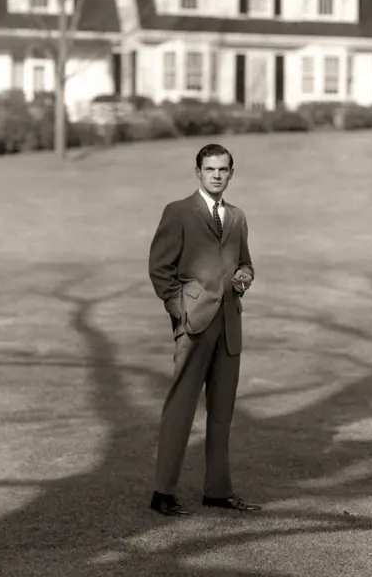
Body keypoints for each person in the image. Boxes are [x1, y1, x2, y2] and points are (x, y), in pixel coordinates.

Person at [148, 143, 260, 516]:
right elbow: (160, 269)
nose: (216, 175)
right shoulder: (178, 212)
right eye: (209, 169)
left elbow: (245, 263)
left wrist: (245, 276)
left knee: (223, 412)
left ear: (231, 173)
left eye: (223, 170)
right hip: (194, 325)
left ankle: (217, 490)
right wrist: (180, 311)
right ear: (198, 172)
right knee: (180, 407)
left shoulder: (237, 217)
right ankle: (162, 491)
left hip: (229, 325)